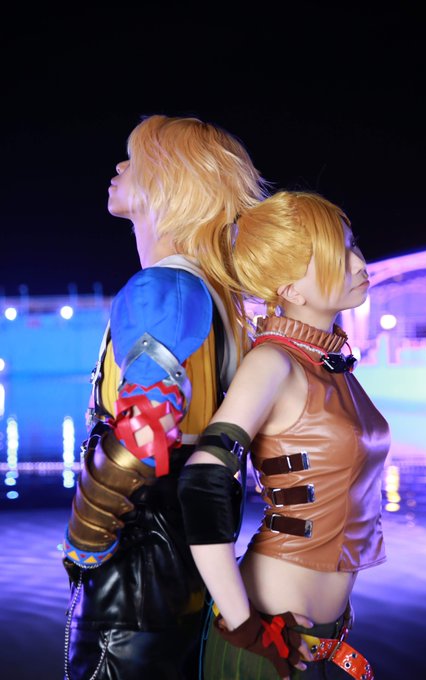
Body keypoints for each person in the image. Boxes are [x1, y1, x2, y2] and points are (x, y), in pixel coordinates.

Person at [61, 113, 271, 680]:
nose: (118, 166)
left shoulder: (165, 288)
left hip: (134, 581)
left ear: (170, 183)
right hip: (186, 570)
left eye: (134, 160)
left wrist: (83, 539)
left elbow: (144, 429)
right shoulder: (217, 298)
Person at [177, 190, 391, 679]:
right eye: (339, 253)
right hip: (264, 639)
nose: (359, 262)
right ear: (291, 289)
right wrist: (245, 626)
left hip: (319, 637)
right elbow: (202, 482)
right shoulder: (273, 362)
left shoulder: (331, 365)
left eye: (353, 245)